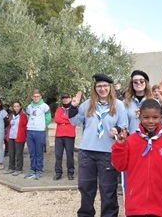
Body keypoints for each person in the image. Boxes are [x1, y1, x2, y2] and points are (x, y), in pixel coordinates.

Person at [111, 99, 162, 217]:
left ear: (161, 118)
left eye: (155, 117)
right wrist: (120, 146)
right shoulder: (131, 140)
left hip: (161, 205)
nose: (150, 121)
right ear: (140, 117)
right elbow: (120, 166)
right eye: (146, 117)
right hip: (135, 206)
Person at [69, 73, 128, 217]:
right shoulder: (88, 104)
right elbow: (74, 121)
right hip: (87, 152)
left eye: (105, 86)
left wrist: (117, 129)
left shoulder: (118, 104)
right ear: (95, 88)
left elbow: (124, 125)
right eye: (99, 86)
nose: (102, 89)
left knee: (108, 189)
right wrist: (72, 107)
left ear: (110, 87)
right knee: (86, 187)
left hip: (107, 152)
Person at [24, 89, 51, 180]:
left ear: (41, 97)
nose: (36, 98)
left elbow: (48, 119)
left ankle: (39, 170)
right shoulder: (29, 107)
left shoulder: (45, 106)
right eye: (34, 96)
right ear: (32, 97)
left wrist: (42, 126)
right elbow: (28, 117)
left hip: (39, 131)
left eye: (38, 96)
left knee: (39, 152)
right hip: (30, 131)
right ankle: (32, 169)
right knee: (32, 152)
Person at [53, 93, 76, 181]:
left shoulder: (73, 109)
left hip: (70, 135)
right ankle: (58, 172)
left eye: (67, 97)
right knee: (58, 155)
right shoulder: (59, 110)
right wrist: (67, 120)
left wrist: (64, 120)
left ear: (70, 99)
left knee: (70, 155)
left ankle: (70, 172)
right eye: (63, 98)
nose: (65, 99)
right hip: (59, 135)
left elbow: (73, 120)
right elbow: (57, 119)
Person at [4, 101, 28, 176]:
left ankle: (19, 168)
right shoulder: (11, 115)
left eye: (17, 106)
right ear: (13, 107)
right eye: (15, 106)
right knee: (11, 153)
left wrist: (25, 136)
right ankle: (11, 167)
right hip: (11, 136)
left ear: (20, 107)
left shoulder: (23, 115)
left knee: (19, 153)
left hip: (19, 137)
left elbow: (25, 126)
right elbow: (9, 125)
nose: (16, 108)